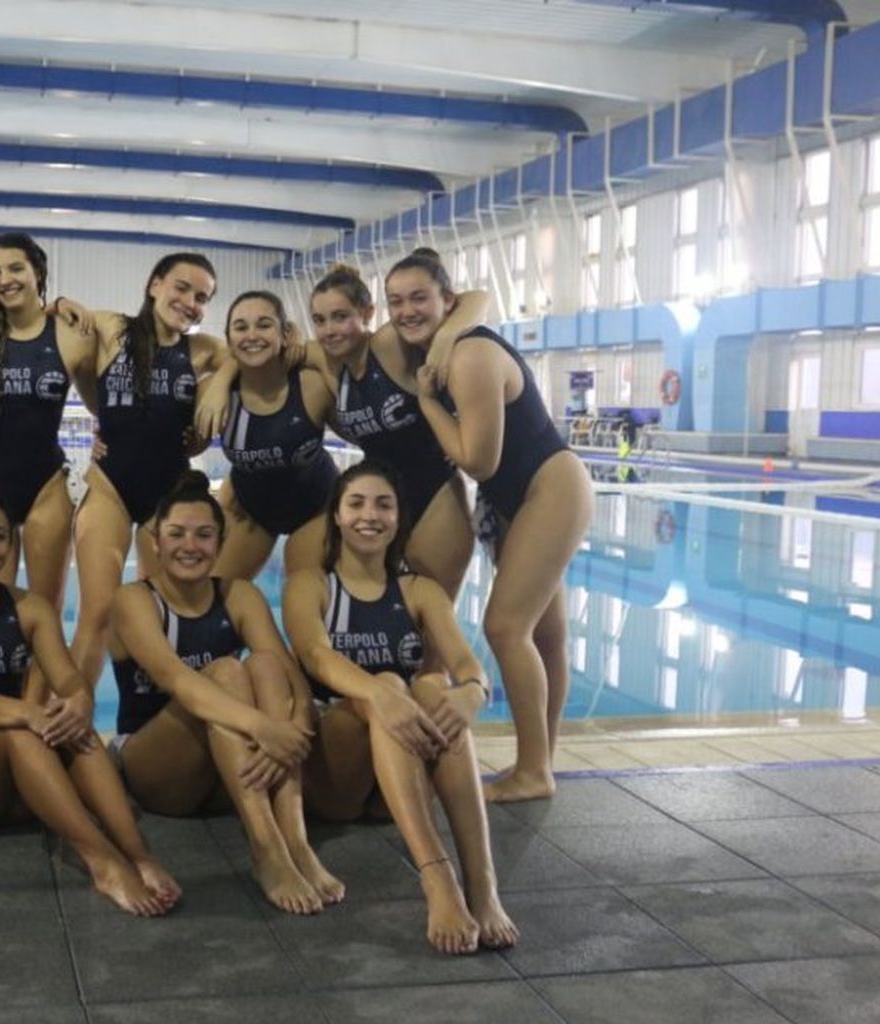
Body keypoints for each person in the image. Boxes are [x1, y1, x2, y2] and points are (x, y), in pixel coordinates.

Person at [0, 492, 181, 916]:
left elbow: (68, 677)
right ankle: (102, 862)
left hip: (20, 788)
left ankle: (139, 855)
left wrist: (79, 702)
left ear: (10, 548)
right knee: (23, 730)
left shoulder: (29, 609)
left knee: (72, 725)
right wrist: (32, 714)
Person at [284, 460, 517, 953]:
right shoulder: (312, 586)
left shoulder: (419, 591)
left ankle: (483, 885)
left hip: (398, 773)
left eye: (383, 504)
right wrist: (378, 691)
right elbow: (315, 655)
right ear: (337, 518)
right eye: (357, 503)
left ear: (398, 520)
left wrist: (473, 691)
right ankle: (437, 877)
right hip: (337, 775)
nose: (371, 515)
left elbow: (468, 665)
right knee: (395, 682)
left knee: (436, 689)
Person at [400, 253, 593, 802]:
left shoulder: (470, 354)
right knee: (545, 635)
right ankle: (542, 763)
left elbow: (478, 461)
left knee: (506, 628)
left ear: (446, 301)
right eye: (397, 302)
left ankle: (533, 770)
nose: (408, 310)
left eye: (420, 297)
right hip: (519, 497)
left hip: (547, 488)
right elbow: (477, 298)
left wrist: (424, 403)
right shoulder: (453, 343)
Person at [109, 472, 335, 915]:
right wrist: (264, 727)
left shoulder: (240, 595)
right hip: (154, 768)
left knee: (267, 666)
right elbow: (178, 681)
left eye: (203, 535)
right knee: (227, 672)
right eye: (176, 534)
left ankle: (295, 839)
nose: (189, 546)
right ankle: (266, 849)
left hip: (226, 771)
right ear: (156, 542)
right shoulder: (134, 600)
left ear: (220, 542)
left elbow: (290, 676)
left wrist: (291, 729)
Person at [197, 257, 487, 598]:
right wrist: (219, 382)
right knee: (389, 611)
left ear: (366, 314)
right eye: (320, 320)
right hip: (380, 499)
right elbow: (253, 348)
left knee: (432, 617)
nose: (330, 329)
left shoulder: (388, 346)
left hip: (433, 493)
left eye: (341, 317)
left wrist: (447, 335)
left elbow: (475, 298)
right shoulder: (323, 359)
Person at [71, 253, 227, 688]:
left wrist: (215, 391)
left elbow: (239, 353)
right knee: (98, 611)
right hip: (109, 488)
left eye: (202, 297)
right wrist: (62, 300)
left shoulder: (203, 351)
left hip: (170, 494)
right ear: (154, 284)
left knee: (159, 612)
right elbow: (62, 318)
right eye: (181, 288)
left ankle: (150, 714)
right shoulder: (112, 328)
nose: (190, 303)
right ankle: (70, 720)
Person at [0, 234, 98, 610]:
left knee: (43, 610)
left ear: (38, 272)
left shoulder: (70, 336)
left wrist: (111, 437)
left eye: (16, 268)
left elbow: (102, 405)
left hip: (46, 485)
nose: (5, 279)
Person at [211, 291, 338, 579]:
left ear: (285, 333)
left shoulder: (312, 385)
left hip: (317, 506)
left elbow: (366, 432)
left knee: (302, 596)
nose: (252, 335)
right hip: (250, 508)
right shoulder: (214, 394)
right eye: (241, 327)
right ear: (229, 339)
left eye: (264, 325)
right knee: (217, 594)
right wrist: (108, 440)